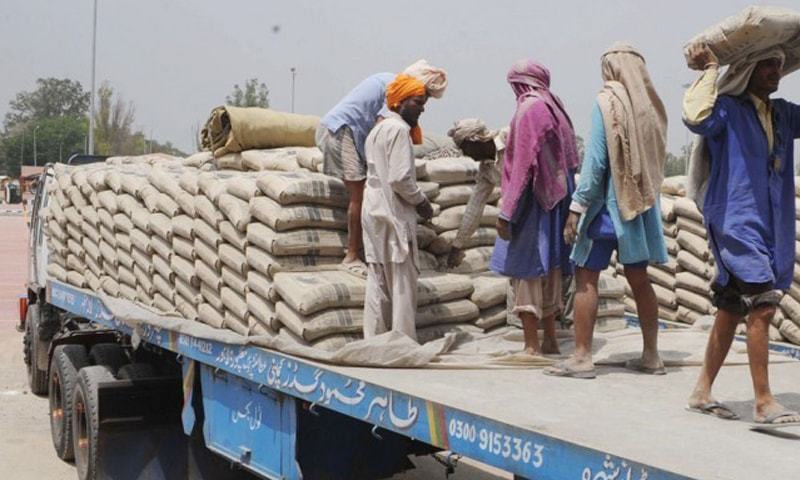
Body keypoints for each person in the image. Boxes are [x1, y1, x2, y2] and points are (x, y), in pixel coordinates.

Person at [682, 43, 800, 425]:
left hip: (769, 222)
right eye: (766, 64)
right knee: (763, 303)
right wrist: (711, 69)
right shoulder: (728, 111)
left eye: (778, 66)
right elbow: (696, 117)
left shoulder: (782, 114)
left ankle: (701, 392)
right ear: (748, 69)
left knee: (732, 306)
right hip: (735, 218)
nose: (774, 72)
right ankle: (764, 401)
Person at [546, 43, 669, 379]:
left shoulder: (607, 103)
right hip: (640, 208)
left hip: (606, 209)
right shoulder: (650, 108)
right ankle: (652, 356)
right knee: (640, 280)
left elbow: (597, 162)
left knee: (586, 277)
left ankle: (582, 356)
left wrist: (577, 205)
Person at [317, 62, 447, 278]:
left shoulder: (389, 80)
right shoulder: (393, 87)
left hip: (349, 132)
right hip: (342, 131)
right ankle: (351, 256)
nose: (423, 106)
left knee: (366, 190)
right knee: (360, 194)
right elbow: (384, 128)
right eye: (421, 99)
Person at [489, 59, 579, 356]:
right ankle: (551, 339)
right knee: (551, 266)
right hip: (559, 194)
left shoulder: (529, 109)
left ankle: (530, 345)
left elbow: (522, 165)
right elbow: (572, 158)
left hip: (534, 198)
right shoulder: (555, 104)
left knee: (526, 267)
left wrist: (507, 211)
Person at [362, 74, 434, 341]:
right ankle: (402, 341)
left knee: (378, 278)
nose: (422, 108)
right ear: (400, 102)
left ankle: (374, 340)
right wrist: (422, 202)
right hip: (393, 211)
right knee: (402, 278)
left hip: (373, 210)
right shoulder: (399, 130)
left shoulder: (376, 130)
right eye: (418, 102)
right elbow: (400, 178)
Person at [445, 119, 507, 268]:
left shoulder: (509, 138)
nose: (465, 154)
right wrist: (457, 245)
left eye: (465, 147)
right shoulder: (486, 169)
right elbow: (474, 207)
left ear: (475, 140)